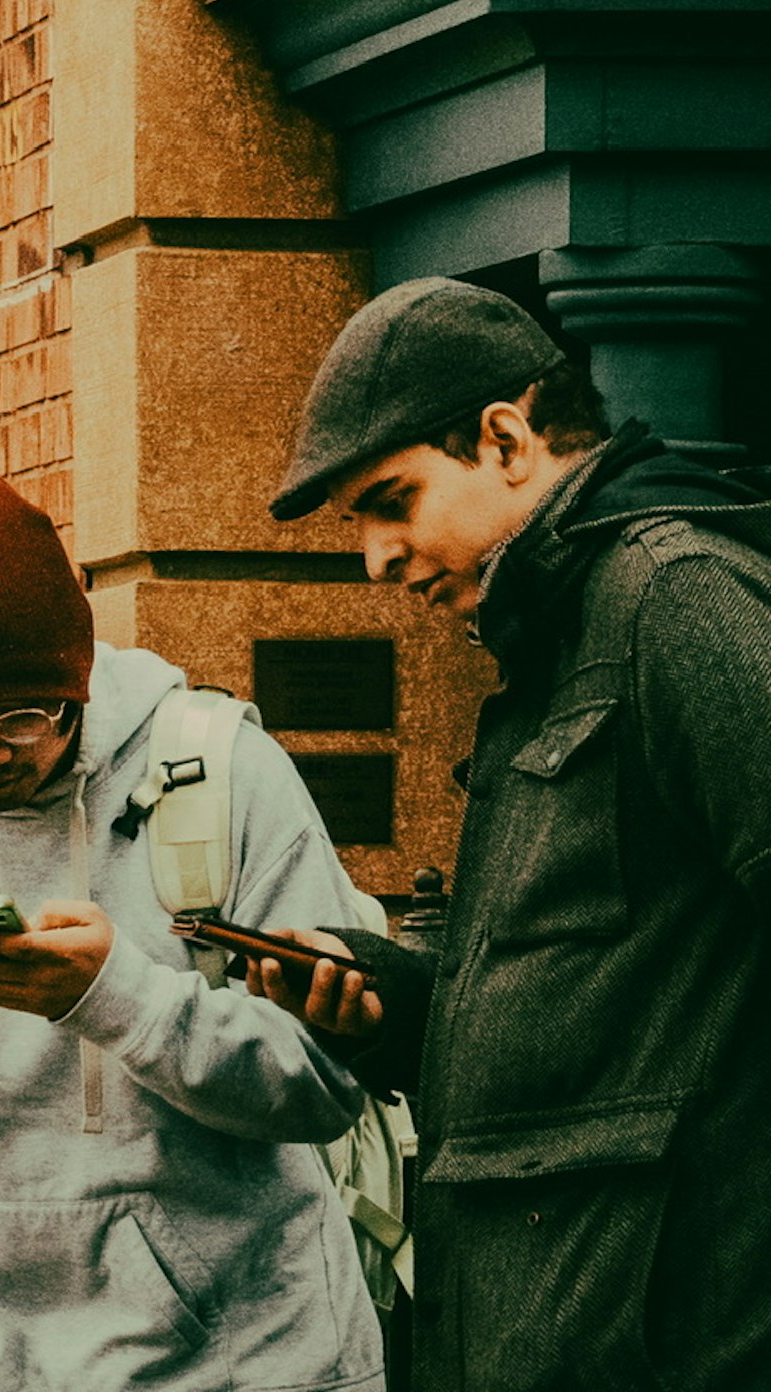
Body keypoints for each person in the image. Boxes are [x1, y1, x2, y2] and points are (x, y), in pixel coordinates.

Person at [250, 278, 771, 1392]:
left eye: (393, 500)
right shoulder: (551, 647)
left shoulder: (674, 597)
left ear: (507, 438)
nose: (376, 559)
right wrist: (393, 1003)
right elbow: (603, 1007)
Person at [0, 472, 381, 1391]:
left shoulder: (225, 775)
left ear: (74, 681)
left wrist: (116, 999)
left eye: (20, 718)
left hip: (252, 1357)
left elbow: (321, 1084)